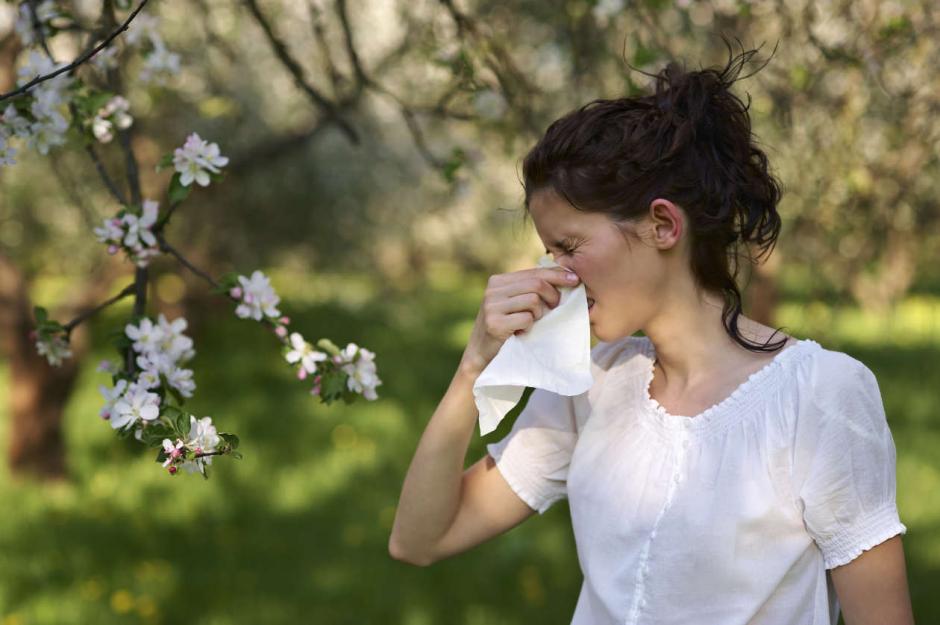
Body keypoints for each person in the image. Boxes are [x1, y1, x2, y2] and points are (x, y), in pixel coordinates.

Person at [388, 39, 914, 625]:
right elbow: (419, 540)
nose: (554, 275)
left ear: (663, 224)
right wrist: (472, 370)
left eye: (569, 246)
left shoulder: (818, 394)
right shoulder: (591, 383)